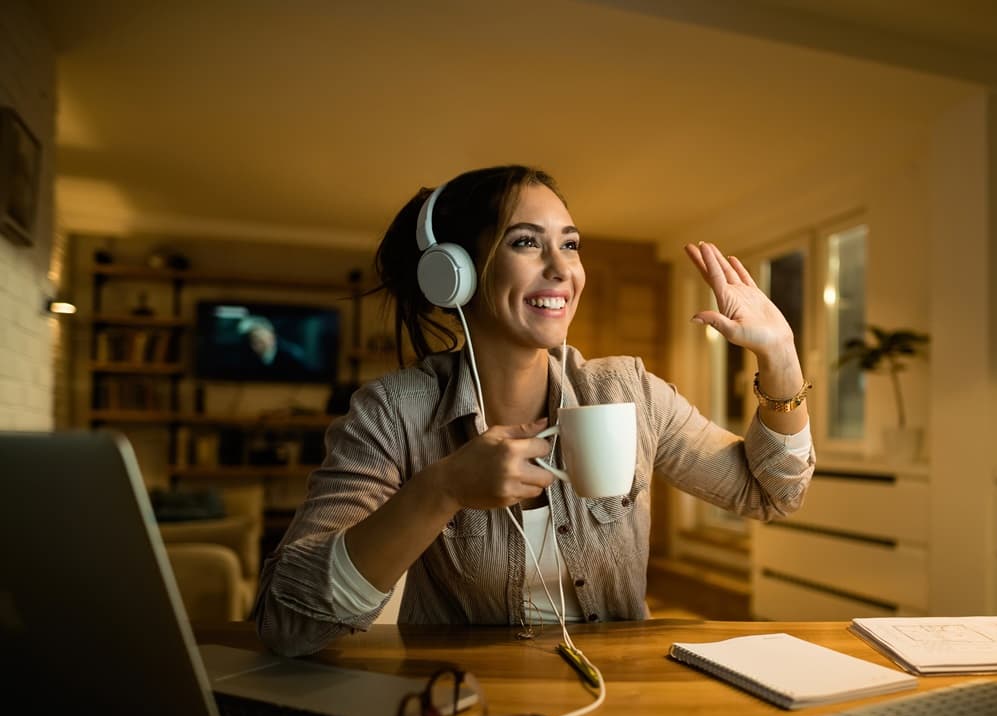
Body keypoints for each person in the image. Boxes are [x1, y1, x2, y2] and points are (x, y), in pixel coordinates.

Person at [253, 165, 814, 657]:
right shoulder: (390, 415)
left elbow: (771, 493)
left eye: (569, 245)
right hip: (460, 699)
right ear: (455, 275)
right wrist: (441, 490)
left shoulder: (629, 390)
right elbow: (288, 624)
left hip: (620, 696)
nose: (561, 269)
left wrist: (781, 354)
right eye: (526, 242)